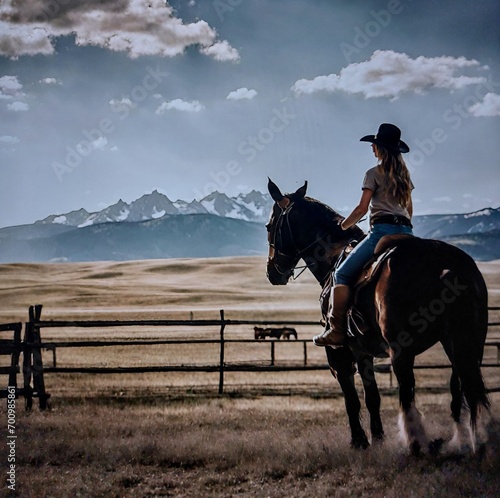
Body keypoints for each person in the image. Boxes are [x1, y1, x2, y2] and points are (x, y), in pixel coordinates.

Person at [313, 123, 414, 347]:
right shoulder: (404, 176)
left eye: (375, 145)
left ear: (381, 149)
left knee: (341, 273)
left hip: (382, 232)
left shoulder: (373, 174)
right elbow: (410, 209)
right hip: (407, 232)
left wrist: (345, 226)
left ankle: (336, 330)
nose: (372, 148)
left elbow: (361, 209)